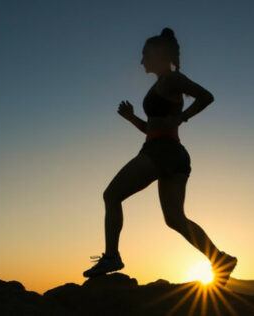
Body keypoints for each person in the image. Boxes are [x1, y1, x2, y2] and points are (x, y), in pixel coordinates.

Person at [83, 27, 237, 287]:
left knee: (111, 195)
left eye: (145, 54)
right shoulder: (162, 83)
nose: (141, 60)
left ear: (157, 54)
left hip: (162, 151)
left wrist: (183, 116)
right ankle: (220, 259)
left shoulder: (171, 79)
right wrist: (132, 118)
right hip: (172, 153)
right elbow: (153, 128)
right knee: (175, 219)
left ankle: (111, 256)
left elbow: (206, 96)